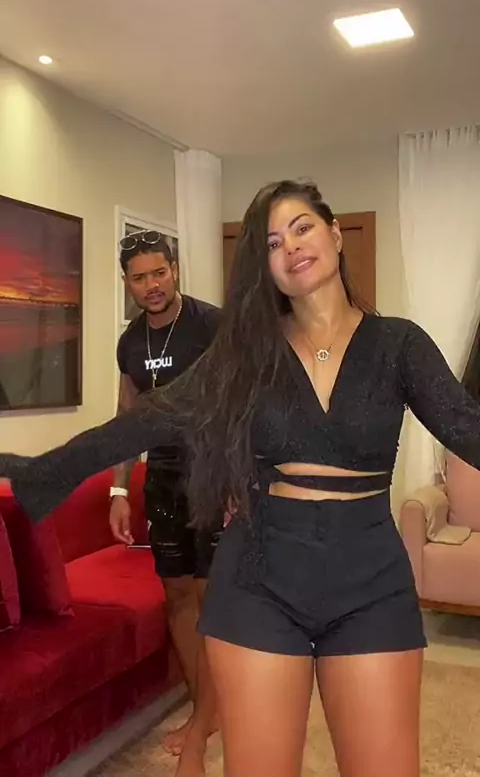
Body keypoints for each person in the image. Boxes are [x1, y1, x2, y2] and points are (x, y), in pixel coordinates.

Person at [2, 180, 479, 777]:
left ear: (335, 235)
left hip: (371, 580)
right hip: (260, 576)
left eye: (302, 227)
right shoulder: (246, 353)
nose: (291, 246)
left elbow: (467, 427)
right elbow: (150, 417)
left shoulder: (398, 344)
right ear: (266, 266)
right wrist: (39, 473)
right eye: (273, 242)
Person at [110, 230, 222, 776]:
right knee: (177, 596)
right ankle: (207, 708)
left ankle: (207, 719)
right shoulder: (130, 343)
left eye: (159, 272)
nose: (151, 285)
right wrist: (117, 489)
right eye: (140, 277)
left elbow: (242, 403)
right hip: (162, 480)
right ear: (127, 283)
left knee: (211, 598)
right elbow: (127, 420)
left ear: (174, 270)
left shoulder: (211, 325)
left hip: (213, 477)